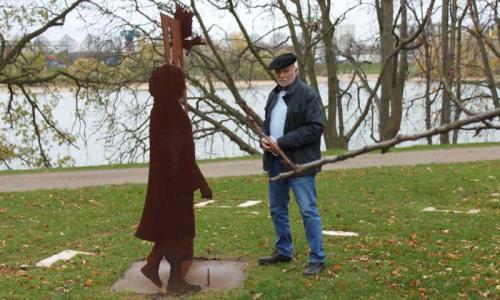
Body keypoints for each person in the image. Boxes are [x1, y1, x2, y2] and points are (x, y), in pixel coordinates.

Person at [135, 64, 212, 293]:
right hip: (175, 184)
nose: (184, 85)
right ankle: (174, 279)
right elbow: (181, 154)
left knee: (170, 230)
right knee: (177, 232)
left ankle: (153, 265)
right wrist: (202, 184)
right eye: (180, 82)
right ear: (172, 85)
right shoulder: (171, 112)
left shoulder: (160, 108)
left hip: (166, 182)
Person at [259, 53, 326, 276]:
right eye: (278, 72)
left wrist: (281, 142)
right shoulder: (274, 95)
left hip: (300, 164)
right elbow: (267, 124)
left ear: (295, 70)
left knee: (308, 211)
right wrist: (264, 139)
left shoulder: (308, 95)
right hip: (275, 163)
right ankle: (283, 251)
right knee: (277, 209)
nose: (282, 75)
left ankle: (317, 258)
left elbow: (315, 128)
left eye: (286, 71)